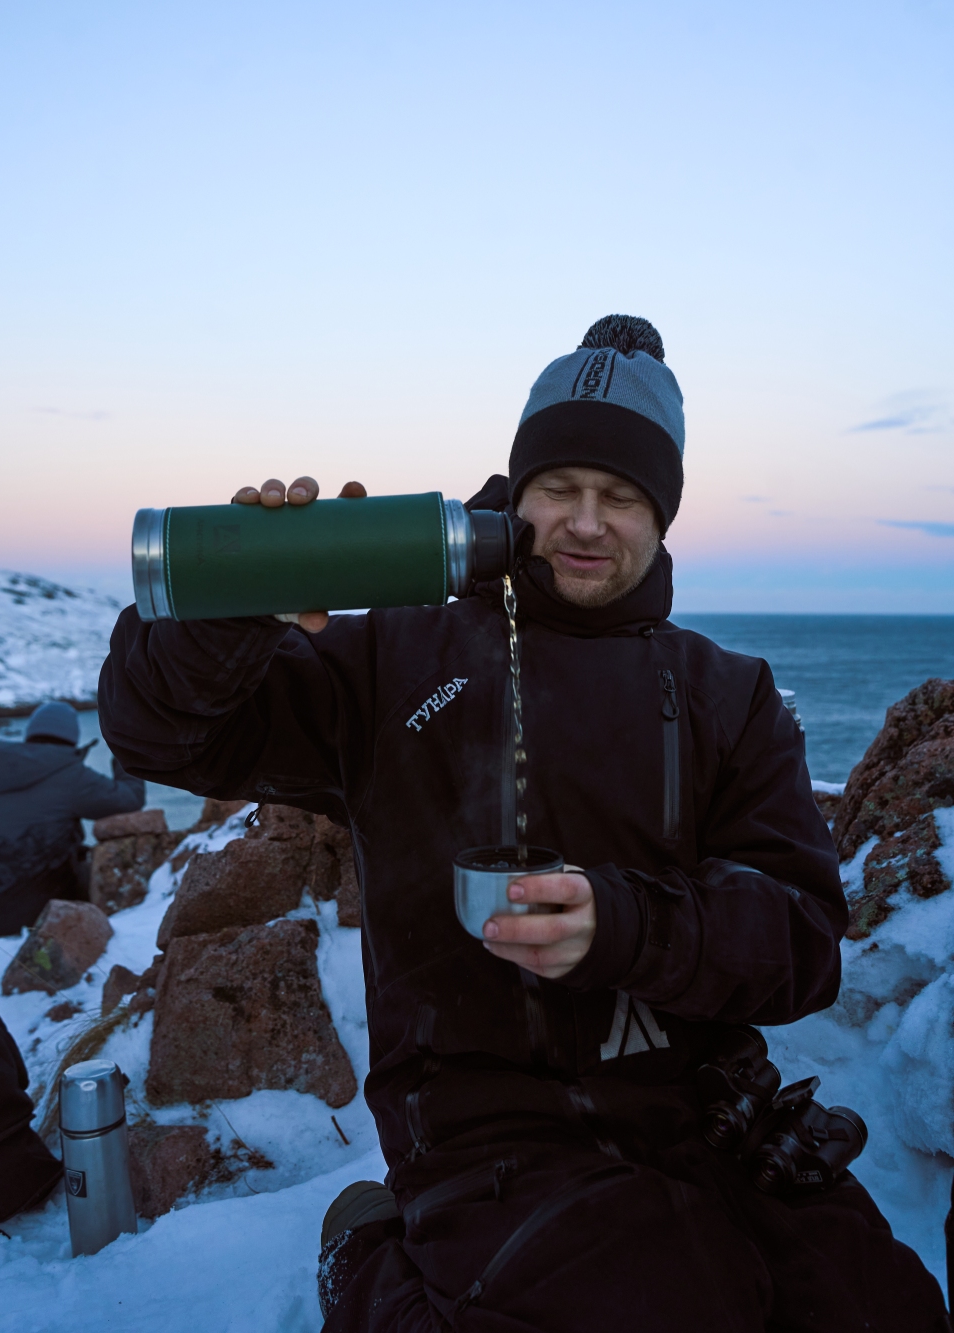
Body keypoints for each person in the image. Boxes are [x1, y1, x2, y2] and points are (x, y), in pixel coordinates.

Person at [98, 316, 949, 1332]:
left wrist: (624, 926)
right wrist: (231, 616)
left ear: (663, 514)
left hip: (710, 1109)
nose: (586, 522)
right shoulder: (394, 656)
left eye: (621, 496)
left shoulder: (727, 693)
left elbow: (802, 946)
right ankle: (365, 1260)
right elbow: (164, 735)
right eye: (560, 487)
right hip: (483, 1126)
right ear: (516, 492)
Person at [0, 701, 145, 936]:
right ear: (72, 735)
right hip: (34, 905)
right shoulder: (69, 773)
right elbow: (130, 799)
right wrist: (126, 754)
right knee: (111, 864)